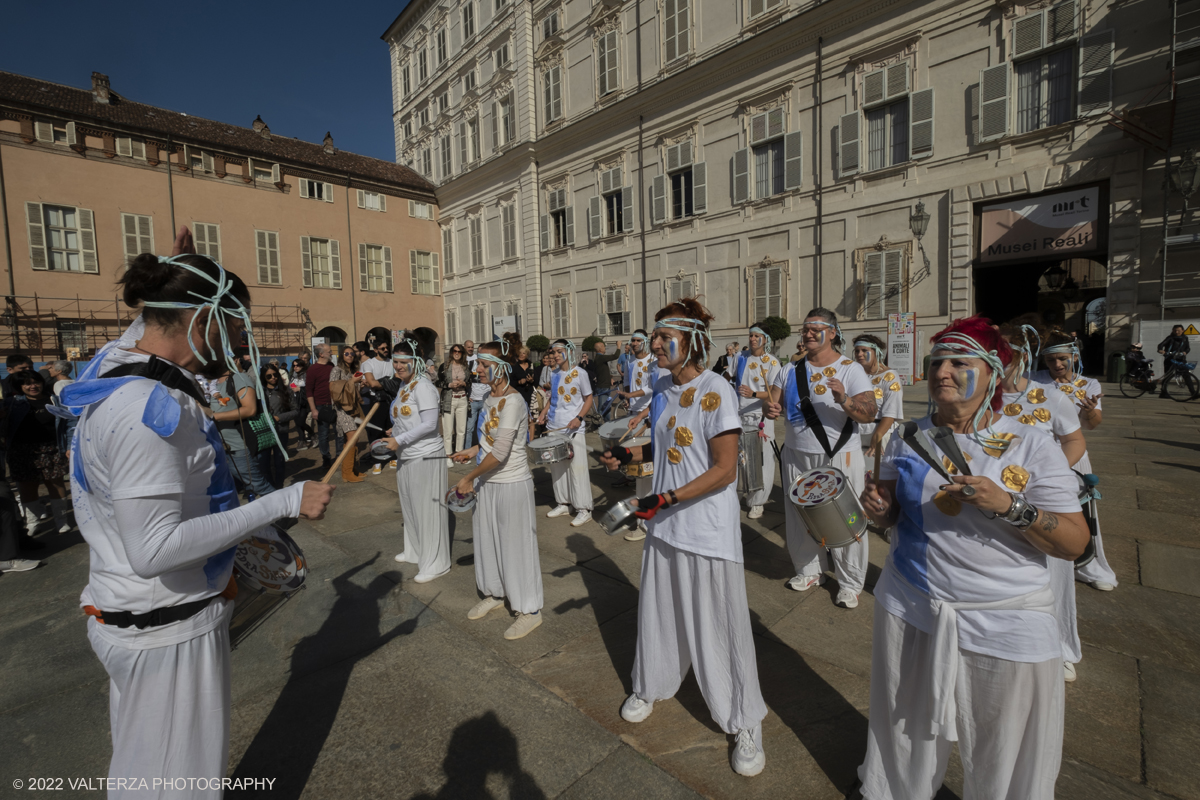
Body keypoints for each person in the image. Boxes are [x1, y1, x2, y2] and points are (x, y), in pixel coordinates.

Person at [64, 240, 334, 798]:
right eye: (235, 326)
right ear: (200, 317)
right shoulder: (146, 410)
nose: (241, 343)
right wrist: (283, 502)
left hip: (138, 617)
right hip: (165, 631)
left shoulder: (114, 364)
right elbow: (155, 549)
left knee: (144, 773)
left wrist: (174, 271)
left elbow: (137, 329)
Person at [855, 316, 1088, 800]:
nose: (943, 370)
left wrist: (1010, 505)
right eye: (937, 360)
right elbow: (893, 517)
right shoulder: (907, 436)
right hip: (913, 605)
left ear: (992, 374)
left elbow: (1074, 543)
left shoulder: (1032, 444)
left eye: (959, 361)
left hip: (1005, 618)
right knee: (904, 728)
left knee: (1003, 746)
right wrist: (880, 509)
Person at [598, 297, 768, 777]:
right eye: (653, 336)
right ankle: (650, 683)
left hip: (707, 530)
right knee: (660, 611)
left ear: (691, 341)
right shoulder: (661, 389)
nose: (653, 344)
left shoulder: (718, 389)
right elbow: (666, 453)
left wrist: (664, 500)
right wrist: (628, 461)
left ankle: (744, 719)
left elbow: (724, 470)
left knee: (721, 625)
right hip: (665, 525)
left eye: (662, 336)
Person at [767, 308, 876, 608]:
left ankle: (850, 582)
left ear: (832, 332)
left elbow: (870, 411)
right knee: (799, 514)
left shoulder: (850, 369)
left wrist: (845, 399)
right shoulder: (789, 369)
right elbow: (772, 402)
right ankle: (810, 570)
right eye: (805, 329)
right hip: (796, 453)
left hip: (840, 455)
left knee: (847, 519)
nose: (808, 333)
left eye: (815, 328)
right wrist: (770, 410)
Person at [999, 321, 1087, 683]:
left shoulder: (1050, 396)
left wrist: (1049, 477)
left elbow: (1075, 441)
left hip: (1044, 503)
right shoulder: (981, 398)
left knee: (1056, 578)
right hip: (996, 504)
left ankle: (1064, 647)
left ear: (1021, 356)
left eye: (1002, 353)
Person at [451, 332, 543, 639]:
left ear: (500, 367)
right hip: (488, 482)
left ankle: (528, 609)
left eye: (483, 364)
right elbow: (490, 443)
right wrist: (472, 451)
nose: (476, 369)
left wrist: (468, 477)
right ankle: (494, 591)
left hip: (512, 482)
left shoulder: (514, 401)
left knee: (515, 546)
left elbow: (503, 452)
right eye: (477, 363)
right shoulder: (489, 397)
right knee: (487, 539)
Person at [1035, 327, 1118, 594]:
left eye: (1062, 359)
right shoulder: (1033, 380)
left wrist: (1091, 411)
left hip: (1072, 453)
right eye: (1050, 360)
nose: (1057, 365)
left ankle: (1088, 563)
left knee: (1079, 511)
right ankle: (1042, 562)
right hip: (1036, 455)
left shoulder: (1088, 384)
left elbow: (1092, 425)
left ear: (1074, 355)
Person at [383, 338, 451, 583]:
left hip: (426, 454)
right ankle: (415, 550)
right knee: (410, 505)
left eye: (403, 362)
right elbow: (407, 418)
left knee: (428, 509)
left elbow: (430, 425)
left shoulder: (423, 386)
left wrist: (399, 440)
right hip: (407, 454)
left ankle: (436, 563)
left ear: (416, 362)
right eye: (396, 362)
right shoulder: (404, 385)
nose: (398, 366)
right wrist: (396, 431)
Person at [535, 339, 595, 526]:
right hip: (554, 425)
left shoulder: (580, 373)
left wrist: (579, 417)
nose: (555, 355)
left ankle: (583, 508)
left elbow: (589, 398)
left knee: (577, 467)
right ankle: (563, 502)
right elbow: (552, 397)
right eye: (553, 352)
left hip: (573, 427)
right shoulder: (554, 374)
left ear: (569, 351)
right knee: (557, 466)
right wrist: (544, 413)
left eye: (559, 351)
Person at [3, 371, 72, 533]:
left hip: (52, 448)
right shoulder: (12, 403)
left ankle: (61, 521)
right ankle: (33, 522)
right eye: (27, 383)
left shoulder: (55, 401)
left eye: (36, 382)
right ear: (20, 387)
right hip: (23, 451)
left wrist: (69, 446)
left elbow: (69, 423)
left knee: (56, 483)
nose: (33, 386)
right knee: (27, 487)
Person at [729, 324, 782, 520]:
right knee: (742, 459)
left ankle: (758, 500)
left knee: (761, 460)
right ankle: (745, 492)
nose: (752, 339)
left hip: (762, 416)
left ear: (765, 339)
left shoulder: (772, 363)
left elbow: (775, 393)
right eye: (750, 335)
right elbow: (729, 376)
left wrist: (753, 393)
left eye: (756, 336)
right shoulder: (740, 357)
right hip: (740, 415)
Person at [209, 356, 275, 501]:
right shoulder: (214, 382)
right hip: (222, 445)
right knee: (242, 484)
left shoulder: (239, 378)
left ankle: (285, 514)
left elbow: (250, 409)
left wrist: (215, 416)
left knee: (258, 484)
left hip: (239, 444)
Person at [852, 335, 903, 460]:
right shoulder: (854, 374)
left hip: (881, 434)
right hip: (856, 434)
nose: (859, 354)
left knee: (877, 474)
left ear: (877, 352)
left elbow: (891, 411)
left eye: (865, 351)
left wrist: (877, 436)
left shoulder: (890, 376)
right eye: (857, 351)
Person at [258, 364, 300, 490]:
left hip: (280, 430)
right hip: (264, 432)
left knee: (279, 462)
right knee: (264, 464)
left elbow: (295, 411)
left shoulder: (285, 391)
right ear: (264, 377)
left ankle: (279, 486)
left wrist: (279, 418)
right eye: (269, 376)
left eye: (275, 375)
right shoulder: (259, 392)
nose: (273, 378)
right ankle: (271, 488)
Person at [329, 346, 365, 483]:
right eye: (346, 353)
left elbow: (352, 390)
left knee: (352, 439)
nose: (349, 355)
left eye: (352, 353)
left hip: (353, 407)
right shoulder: (336, 370)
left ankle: (352, 470)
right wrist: (352, 382)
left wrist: (360, 385)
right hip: (342, 408)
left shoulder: (353, 371)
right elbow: (332, 389)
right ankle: (347, 473)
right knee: (352, 437)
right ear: (341, 356)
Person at [306, 344, 338, 470]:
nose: (331, 353)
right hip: (320, 406)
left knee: (338, 432)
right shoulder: (312, 369)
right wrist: (313, 409)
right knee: (323, 434)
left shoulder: (331, 366)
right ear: (321, 354)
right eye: (329, 352)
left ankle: (340, 455)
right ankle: (326, 458)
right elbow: (309, 391)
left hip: (334, 404)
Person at [438, 345, 472, 454]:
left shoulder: (465, 367)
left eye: (459, 351)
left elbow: (470, 382)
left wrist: (464, 383)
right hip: (449, 399)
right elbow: (437, 382)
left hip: (462, 399)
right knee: (448, 430)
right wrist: (449, 384)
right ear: (451, 352)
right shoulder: (444, 367)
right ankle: (448, 454)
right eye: (454, 351)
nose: (456, 353)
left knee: (461, 430)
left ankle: (459, 453)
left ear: (462, 354)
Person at [588, 341, 621, 421]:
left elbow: (602, 371)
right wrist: (619, 346)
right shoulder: (600, 357)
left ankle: (606, 423)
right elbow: (615, 356)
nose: (605, 348)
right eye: (603, 346)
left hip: (605, 385)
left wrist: (610, 378)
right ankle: (598, 422)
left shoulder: (600, 358)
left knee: (606, 406)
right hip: (602, 386)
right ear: (600, 349)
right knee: (603, 407)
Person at [465, 340, 489, 447]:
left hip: (485, 400)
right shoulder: (471, 363)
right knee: (469, 428)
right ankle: (467, 448)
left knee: (484, 426)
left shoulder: (488, 366)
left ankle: (482, 448)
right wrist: (467, 395)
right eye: (479, 352)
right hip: (473, 400)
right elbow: (466, 380)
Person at [1157, 324, 1191, 397]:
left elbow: (1188, 348)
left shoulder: (1185, 338)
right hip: (1170, 359)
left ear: (1183, 330)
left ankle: (1193, 392)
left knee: (1186, 375)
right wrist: (1160, 350)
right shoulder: (1170, 338)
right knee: (1168, 376)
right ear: (1172, 330)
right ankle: (1164, 393)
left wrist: (1185, 352)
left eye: (1178, 330)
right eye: (1175, 330)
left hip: (1181, 359)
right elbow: (1161, 344)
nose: (1176, 332)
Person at [288, 359, 313, 448]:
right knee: (297, 423)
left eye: (297, 365)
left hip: (303, 402)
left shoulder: (306, 375)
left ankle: (312, 434)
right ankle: (302, 441)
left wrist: (300, 389)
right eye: (294, 365)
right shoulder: (292, 376)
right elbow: (289, 387)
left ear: (302, 366)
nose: (295, 367)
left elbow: (310, 389)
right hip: (294, 402)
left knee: (301, 422)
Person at [512, 346, 537, 411]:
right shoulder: (514, 366)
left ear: (527, 355)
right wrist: (519, 382)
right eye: (520, 353)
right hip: (518, 394)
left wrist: (532, 381)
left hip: (530, 395)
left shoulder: (531, 365)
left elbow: (537, 380)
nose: (521, 355)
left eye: (524, 353)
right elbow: (510, 382)